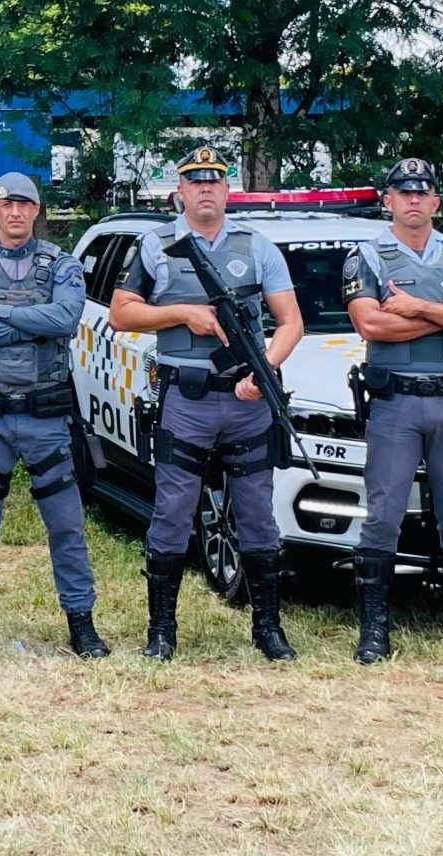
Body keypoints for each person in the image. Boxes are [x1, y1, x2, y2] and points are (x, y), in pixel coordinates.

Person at [109, 146, 303, 661]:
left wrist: (266, 371)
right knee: (172, 512)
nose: (206, 189)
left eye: (215, 181)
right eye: (195, 182)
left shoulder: (257, 247)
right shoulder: (157, 246)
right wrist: (183, 315)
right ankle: (161, 632)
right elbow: (122, 314)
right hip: (187, 399)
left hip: (247, 400)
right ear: (180, 192)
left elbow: (290, 323)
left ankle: (268, 630)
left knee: (257, 514)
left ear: (227, 190)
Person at [342, 157, 443, 663]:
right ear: (387, 201)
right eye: (403, 192)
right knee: (384, 513)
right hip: (396, 403)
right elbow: (372, 327)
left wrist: (419, 308)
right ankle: (375, 632)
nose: (413, 199)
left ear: (436, 201)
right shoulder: (367, 255)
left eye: (423, 192)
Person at [0, 171, 107, 660]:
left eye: (25, 203)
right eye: (6, 203)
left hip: (45, 416)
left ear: (37, 211)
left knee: (65, 522)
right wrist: (30, 325)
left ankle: (81, 623)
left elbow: (66, 319)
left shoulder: (60, 264)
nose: (16, 211)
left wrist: (5, 315)